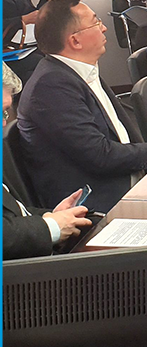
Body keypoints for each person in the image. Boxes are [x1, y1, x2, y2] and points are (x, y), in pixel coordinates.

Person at [17, 0, 147, 212]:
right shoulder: (51, 86)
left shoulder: (78, 71)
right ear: (75, 41)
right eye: (96, 22)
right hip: (97, 203)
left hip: (128, 179)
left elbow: (119, 137)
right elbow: (99, 156)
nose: (104, 28)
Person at [3, 64, 92, 260]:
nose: (3, 122)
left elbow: (12, 213)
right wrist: (52, 227)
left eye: (5, 113)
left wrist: (51, 216)